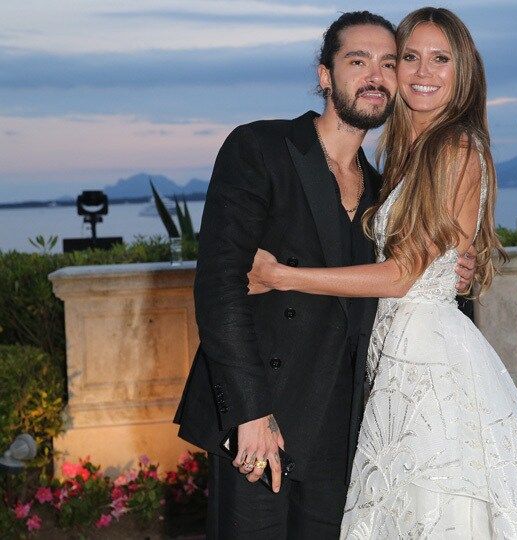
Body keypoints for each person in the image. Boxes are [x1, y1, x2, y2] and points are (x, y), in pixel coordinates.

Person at [247, 7, 517, 539]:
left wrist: (285, 276)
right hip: (402, 358)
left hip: (431, 366)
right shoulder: (409, 155)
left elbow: (402, 275)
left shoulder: (454, 145)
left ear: (464, 72)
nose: (422, 72)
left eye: (441, 59)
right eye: (408, 57)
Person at [173, 11, 476, 538]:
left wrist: (454, 270)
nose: (375, 76)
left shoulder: (388, 196)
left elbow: (404, 283)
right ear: (324, 75)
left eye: (388, 62)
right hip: (263, 423)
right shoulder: (260, 149)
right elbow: (219, 289)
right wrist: (250, 412)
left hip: (345, 435)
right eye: (357, 61)